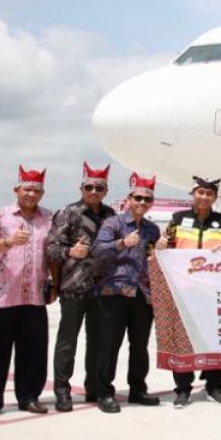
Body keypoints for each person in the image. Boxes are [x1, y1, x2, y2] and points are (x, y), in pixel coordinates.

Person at [0, 166, 54, 421]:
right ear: (16, 189)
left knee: (33, 352)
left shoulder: (49, 218)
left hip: (34, 297)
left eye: (36, 190)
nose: (31, 194)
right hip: (0, 297)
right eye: (27, 189)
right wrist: (8, 242)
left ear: (42, 193)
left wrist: (56, 284)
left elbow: (53, 255)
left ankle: (29, 397)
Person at [45, 162, 116, 412]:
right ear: (81, 188)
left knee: (98, 342)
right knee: (68, 341)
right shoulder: (68, 213)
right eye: (89, 187)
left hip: (102, 289)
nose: (94, 191)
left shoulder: (111, 216)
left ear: (106, 191)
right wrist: (70, 251)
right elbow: (51, 248)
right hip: (74, 287)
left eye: (99, 187)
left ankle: (94, 388)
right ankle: (62, 391)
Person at [157, 175, 221, 407]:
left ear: (214, 197)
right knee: (182, 340)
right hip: (184, 290)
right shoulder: (178, 219)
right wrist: (160, 245)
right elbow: (165, 246)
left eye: (209, 193)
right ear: (193, 194)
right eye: (200, 192)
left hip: (212, 291)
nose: (204, 197)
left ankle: (214, 386)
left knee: (215, 338)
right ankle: (182, 388)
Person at [91, 173, 163, 413]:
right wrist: (122, 243)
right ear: (129, 199)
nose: (142, 202)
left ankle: (137, 389)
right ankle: (103, 392)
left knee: (139, 345)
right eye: (138, 198)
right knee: (110, 344)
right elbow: (98, 251)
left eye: (147, 199)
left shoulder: (153, 230)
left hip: (143, 294)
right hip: (114, 292)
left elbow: (156, 258)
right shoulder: (114, 224)